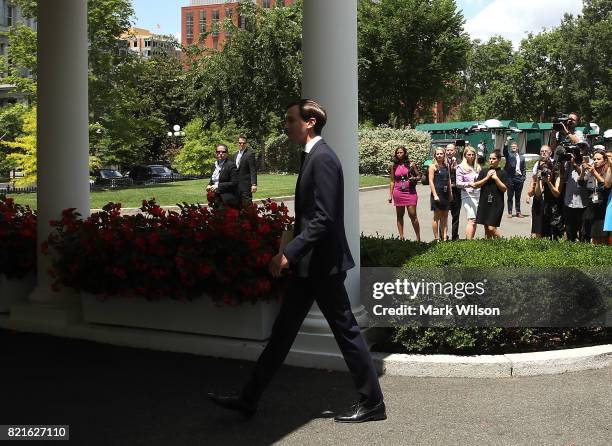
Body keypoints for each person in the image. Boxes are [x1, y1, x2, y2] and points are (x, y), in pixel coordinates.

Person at [208, 99, 386, 423]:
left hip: (322, 265)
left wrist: (288, 253)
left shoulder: (323, 159)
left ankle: (373, 402)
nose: (286, 126)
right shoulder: (312, 157)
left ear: (310, 123)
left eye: (291, 120)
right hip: (309, 266)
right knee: (283, 332)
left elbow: (324, 219)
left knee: (346, 331)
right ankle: (249, 398)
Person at [472, 150, 508, 238]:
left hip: (497, 203)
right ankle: (490, 247)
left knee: (491, 228)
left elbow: (504, 189)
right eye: (490, 158)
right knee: (486, 228)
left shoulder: (503, 173)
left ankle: (504, 244)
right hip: (484, 201)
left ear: (499, 160)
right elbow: (476, 185)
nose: (491, 160)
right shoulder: (484, 171)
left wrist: (496, 178)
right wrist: (487, 177)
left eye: (494, 159)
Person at [388, 146, 421, 241]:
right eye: (397, 153)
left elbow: (419, 176)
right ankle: (401, 238)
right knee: (399, 215)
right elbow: (392, 181)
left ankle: (418, 238)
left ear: (405, 153)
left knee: (413, 214)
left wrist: (414, 178)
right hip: (398, 192)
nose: (399, 154)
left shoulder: (411, 164)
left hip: (410, 192)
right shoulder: (393, 166)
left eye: (401, 152)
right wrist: (390, 195)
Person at [581, 148, 611, 244]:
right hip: (592, 208)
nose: (596, 161)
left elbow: (605, 186)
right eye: (594, 159)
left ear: (605, 160)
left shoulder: (608, 171)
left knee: (602, 238)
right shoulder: (590, 171)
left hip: (603, 209)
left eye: (598, 159)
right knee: (593, 237)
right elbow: (581, 182)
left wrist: (595, 173)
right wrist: (583, 170)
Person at [533, 158, 563, 240]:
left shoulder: (557, 176)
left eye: (547, 170)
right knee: (544, 234)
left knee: (556, 234)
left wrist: (549, 182)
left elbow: (556, 194)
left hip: (556, 208)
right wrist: (539, 181)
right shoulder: (542, 177)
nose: (546, 172)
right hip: (545, 207)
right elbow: (538, 193)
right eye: (543, 170)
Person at [526, 145, 552, 238]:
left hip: (549, 197)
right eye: (542, 151)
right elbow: (533, 179)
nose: (544, 153)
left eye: (546, 151)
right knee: (536, 228)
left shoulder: (553, 163)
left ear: (550, 153)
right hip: (538, 197)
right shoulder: (537, 164)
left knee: (546, 227)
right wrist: (529, 194)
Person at [455, 146, 481, 239]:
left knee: (475, 220)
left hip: (478, 194)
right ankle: (468, 243)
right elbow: (458, 183)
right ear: (464, 155)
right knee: (472, 219)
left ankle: (470, 240)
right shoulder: (460, 167)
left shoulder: (477, 167)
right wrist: (469, 184)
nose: (471, 156)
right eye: (468, 154)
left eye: (473, 154)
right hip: (467, 195)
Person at [428, 147, 452, 242]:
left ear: (444, 155)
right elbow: (430, 180)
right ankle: (436, 238)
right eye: (437, 154)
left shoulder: (447, 166)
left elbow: (449, 179)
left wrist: (450, 193)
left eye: (441, 154)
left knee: (445, 216)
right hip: (437, 193)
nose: (439, 155)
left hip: (446, 194)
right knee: (436, 217)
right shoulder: (432, 166)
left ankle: (444, 237)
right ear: (435, 155)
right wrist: (435, 195)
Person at [206, 144, 239, 209]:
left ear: (227, 153)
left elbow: (234, 183)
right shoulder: (214, 165)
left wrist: (218, 186)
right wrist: (209, 185)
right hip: (216, 198)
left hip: (227, 199)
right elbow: (213, 180)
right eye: (218, 152)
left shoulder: (231, 165)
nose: (220, 153)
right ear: (215, 153)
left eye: (223, 152)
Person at [503, 139, 526, 218]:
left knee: (518, 196)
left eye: (515, 147)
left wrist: (523, 177)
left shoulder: (522, 157)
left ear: (517, 148)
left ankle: (518, 212)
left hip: (519, 178)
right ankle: (510, 212)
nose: (513, 148)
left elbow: (524, 168)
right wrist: (506, 143)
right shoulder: (509, 155)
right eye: (512, 147)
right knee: (510, 196)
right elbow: (505, 151)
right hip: (511, 178)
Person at [234, 134, 258, 207]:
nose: (241, 144)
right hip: (236, 185)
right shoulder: (235, 155)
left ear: (246, 144)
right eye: (240, 143)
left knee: (247, 205)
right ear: (237, 143)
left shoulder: (250, 154)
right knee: (237, 205)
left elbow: (253, 169)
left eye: (243, 143)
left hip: (246, 185)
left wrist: (254, 184)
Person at [446, 144, 461, 240]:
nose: (449, 152)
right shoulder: (441, 161)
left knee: (455, 215)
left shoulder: (459, 161)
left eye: (451, 150)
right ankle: (443, 235)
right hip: (445, 191)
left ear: (455, 151)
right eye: (447, 150)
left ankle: (454, 236)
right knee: (443, 214)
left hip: (456, 191)